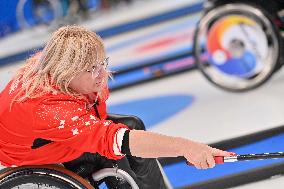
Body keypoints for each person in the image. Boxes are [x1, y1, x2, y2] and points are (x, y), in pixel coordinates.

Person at [0, 26, 234, 188]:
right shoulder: (49, 110)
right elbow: (114, 140)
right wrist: (186, 147)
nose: (102, 73)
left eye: (103, 63)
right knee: (116, 153)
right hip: (35, 153)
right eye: (92, 68)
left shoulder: (58, 64)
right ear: (67, 72)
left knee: (131, 125)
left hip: (45, 135)